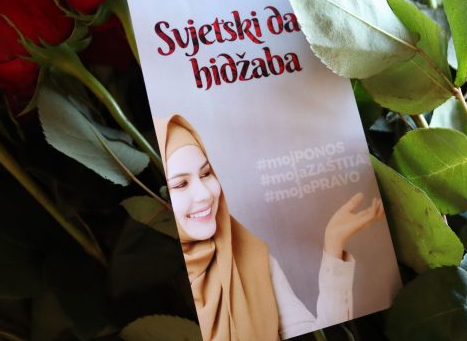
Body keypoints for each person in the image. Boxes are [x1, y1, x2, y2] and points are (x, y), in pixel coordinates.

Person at [157, 114, 385, 341]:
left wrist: (333, 243)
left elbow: (312, 334)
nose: (204, 194)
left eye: (206, 173)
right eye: (180, 184)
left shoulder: (252, 257)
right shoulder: (158, 276)